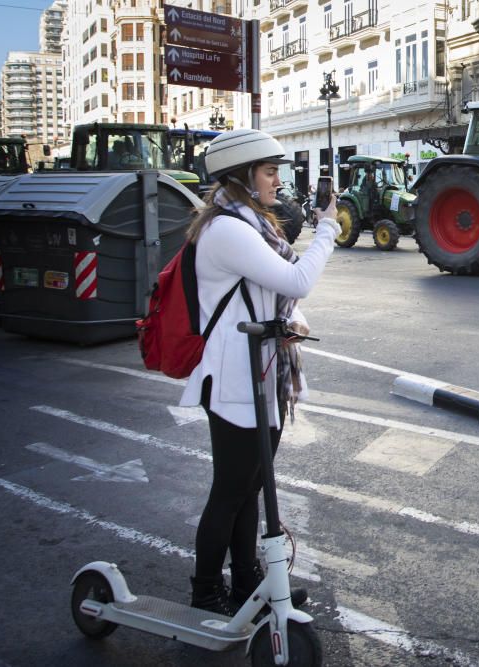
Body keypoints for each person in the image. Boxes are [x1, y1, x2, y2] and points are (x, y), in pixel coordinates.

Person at [178, 129, 342, 616]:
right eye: (269, 172)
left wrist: (289, 321)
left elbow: (273, 295)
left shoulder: (251, 225)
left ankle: (248, 579)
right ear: (243, 177)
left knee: (252, 486)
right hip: (232, 381)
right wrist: (327, 228)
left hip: (260, 371)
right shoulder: (227, 229)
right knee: (230, 490)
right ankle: (206, 590)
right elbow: (298, 279)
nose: (277, 181)